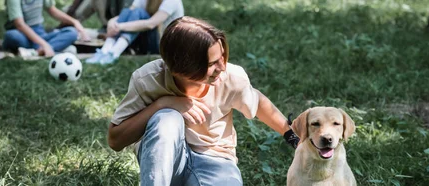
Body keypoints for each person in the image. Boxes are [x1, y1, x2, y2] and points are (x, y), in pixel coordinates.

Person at [107, 16, 300, 186]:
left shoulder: (231, 78)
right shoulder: (148, 79)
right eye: (211, 64)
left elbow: (258, 102)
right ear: (181, 69)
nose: (222, 67)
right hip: (165, 166)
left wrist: (292, 135)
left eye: (222, 57)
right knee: (166, 119)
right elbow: (115, 140)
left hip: (216, 160)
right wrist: (163, 104)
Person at [85, 0, 184, 64]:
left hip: (163, 45)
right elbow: (129, 12)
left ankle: (114, 53)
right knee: (128, 11)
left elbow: (151, 24)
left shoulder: (172, 1)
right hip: (145, 40)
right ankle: (105, 51)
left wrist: (120, 26)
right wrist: (112, 22)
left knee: (139, 12)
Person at [2, 0, 90, 57]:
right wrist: (44, 44)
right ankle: (54, 47)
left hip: (39, 33)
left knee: (72, 32)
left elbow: (52, 10)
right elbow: (20, 25)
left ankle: (35, 52)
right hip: (21, 33)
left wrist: (75, 22)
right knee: (12, 35)